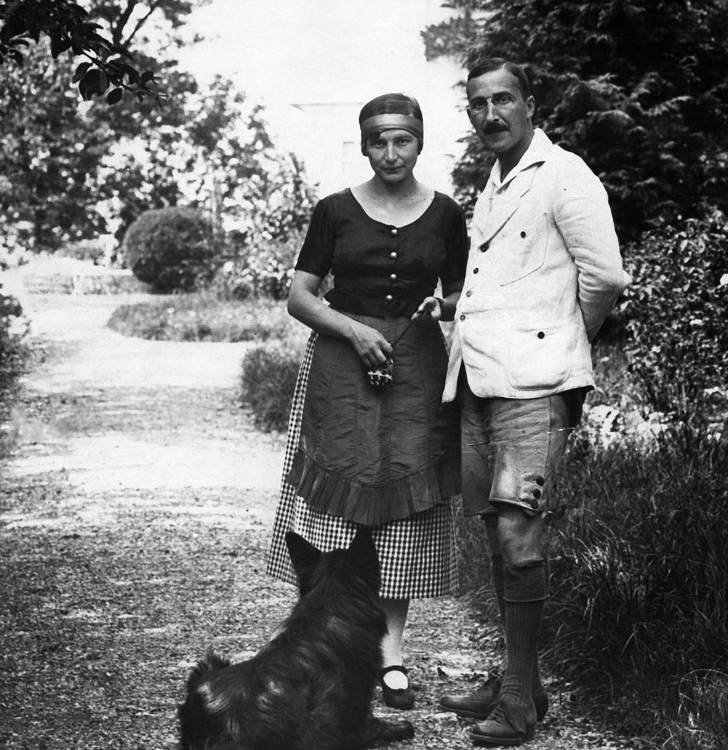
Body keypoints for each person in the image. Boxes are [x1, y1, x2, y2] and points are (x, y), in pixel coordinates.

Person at [436, 59, 630, 745]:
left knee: (520, 539)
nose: (491, 115)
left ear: (530, 104)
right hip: (480, 383)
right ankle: (524, 680)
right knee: (496, 532)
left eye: (504, 101)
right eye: (478, 105)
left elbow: (604, 276)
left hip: (533, 387)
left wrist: (554, 338)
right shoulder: (492, 184)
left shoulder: (566, 176)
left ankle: (517, 700)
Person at [265, 92, 468, 711]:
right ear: (362, 144)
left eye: (402, 139)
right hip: (339, 367)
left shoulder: (446, 215)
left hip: (415, 367)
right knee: (337, 505)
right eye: (378, 140)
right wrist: (352, 330)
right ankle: (323, 644)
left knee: (400, 506)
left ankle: (390, 655)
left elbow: (460, 293)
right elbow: (301, 296)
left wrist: (446, 307)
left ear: (419, 142)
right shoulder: (334, 210)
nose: (390, 152)